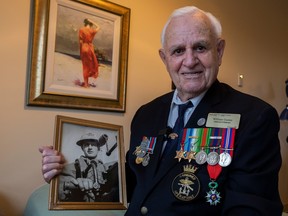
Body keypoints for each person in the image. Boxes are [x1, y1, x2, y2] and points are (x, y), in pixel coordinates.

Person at [40, 6, 283, 215]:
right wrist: (65, 167)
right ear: (164, 58)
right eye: (178, 51)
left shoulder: (254, 117)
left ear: (219, 51)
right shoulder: (146, 114)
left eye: (200, 48)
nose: (189, 61)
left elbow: (251, 209)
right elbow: (133, 183)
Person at [49, 132, 119, 202]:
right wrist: (76, 183)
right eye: (86, 145)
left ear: (98, 148)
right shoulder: (72, 167)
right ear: (82, 148)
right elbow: (58, 186)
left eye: (93, 145)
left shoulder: (106, 167)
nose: (90, 147)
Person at [79, 18, 100, 88]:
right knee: (90, 65)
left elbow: (80, 41)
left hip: (84, 47)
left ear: (85, 23)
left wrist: (81, 51)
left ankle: (86, 84)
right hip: (90, 48)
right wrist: (93, 21)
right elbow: (99, 27)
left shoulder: (81, 29)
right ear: (90, 24)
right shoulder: (92, 31)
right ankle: (86, 84)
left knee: (85, 66)